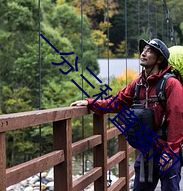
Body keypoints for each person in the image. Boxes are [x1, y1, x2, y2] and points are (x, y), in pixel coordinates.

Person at [70, 38, 183, 191]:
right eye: (143, 50)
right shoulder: (138, 84)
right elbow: (117, 102)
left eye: (149, 51)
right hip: (147, 150)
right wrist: (91, 103)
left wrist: (169, 152)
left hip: (166, 150)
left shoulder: (171, 84)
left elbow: (177, 120)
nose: (143, 53)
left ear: (160, 59)